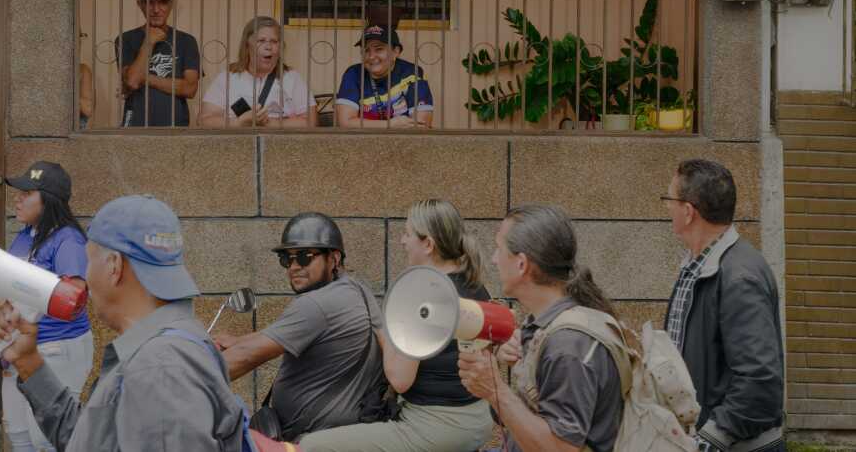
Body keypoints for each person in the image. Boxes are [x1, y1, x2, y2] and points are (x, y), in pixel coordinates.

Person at [0, 195, 247, 451]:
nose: (86, 275)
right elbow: (90, 440)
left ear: (114, 266)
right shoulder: (162, 351)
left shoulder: (159, 368)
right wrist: (28, 361)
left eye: (88, 261)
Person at [299, 199, 495, 452]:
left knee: (311, 445)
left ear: (428, 244)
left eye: (407, 234)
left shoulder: (422, 294)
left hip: (435, 428)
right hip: (478, 420)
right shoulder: (476, 285)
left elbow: (400, 380)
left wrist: (384, 324)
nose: (402, 241)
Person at [457, 204, 627, 452]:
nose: (493, 259)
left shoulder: (568, 345)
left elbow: (562, 448)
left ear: (522, 264)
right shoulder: (549, 326)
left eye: (499, 248)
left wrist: (496, 391)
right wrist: (527, 367)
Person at [215, 212, 385, 442]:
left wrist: (185, 378)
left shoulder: (315, 305)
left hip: (309, 440)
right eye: (287, 258)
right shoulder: (357, 289)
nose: (294, 266)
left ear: (334, 259)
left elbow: (244, 358)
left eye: (305, 257)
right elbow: (283, 333)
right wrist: (238, 341)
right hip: (344, 432)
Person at [662, 159, 784, 452]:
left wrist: (710, 439)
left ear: (688, 211)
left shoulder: (740, 276)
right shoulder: (697, 266)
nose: (666, 206)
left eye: (669, 199)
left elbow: (760, 380)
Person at [0, 161, 93, 452]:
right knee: (17, 432)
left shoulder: (68, 239)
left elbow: (74, 295)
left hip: (58, 346)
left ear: (48, 199)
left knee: (46, 438)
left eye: (27, 192)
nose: (18, 198)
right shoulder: (25, 235)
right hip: (21, 345)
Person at [199, 16, 317, 128]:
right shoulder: (227, 77)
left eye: (274, 41)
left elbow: (311, 121)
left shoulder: (291, 77)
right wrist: (239, 123)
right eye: (261, 40)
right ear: (247, 45)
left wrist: (268, 123)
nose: (268, 47)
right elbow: (204, 120)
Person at [117, 0, 200, 127]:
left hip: (175, 125)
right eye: (150, 2)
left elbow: (190, 89)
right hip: (135, 123)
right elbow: (133, 82)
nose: (156, 9)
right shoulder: (126, 39)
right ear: (140, 4)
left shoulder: (187, 41)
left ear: (171, 5)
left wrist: (145, 78)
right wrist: (149, 42)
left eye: (162, 2)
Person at [335, 25, 433, 128]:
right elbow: (345, 123)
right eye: (366, 50)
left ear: (396, 51)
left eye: (379, 49)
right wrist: (390, 125)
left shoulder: (412, 73)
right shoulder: (354, 74)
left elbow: (422, 124)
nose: (371, 56)